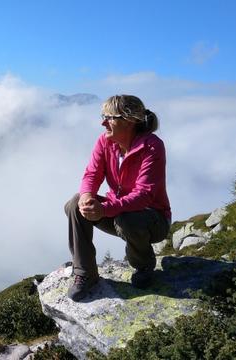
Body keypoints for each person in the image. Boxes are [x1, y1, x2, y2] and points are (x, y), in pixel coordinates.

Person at [64, 94, 171, 301]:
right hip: (118, 211)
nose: (103, 122)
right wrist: (87, 197)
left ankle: (143, 266)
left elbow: (144, 195)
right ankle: (85, 272)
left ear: (129, 121)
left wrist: (104, 210)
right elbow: (92, 175)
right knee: (74, 205)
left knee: (127, 219)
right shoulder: (105, 142)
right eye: (103, 116)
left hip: (153, 220)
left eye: (109, 117)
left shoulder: (152, 146)